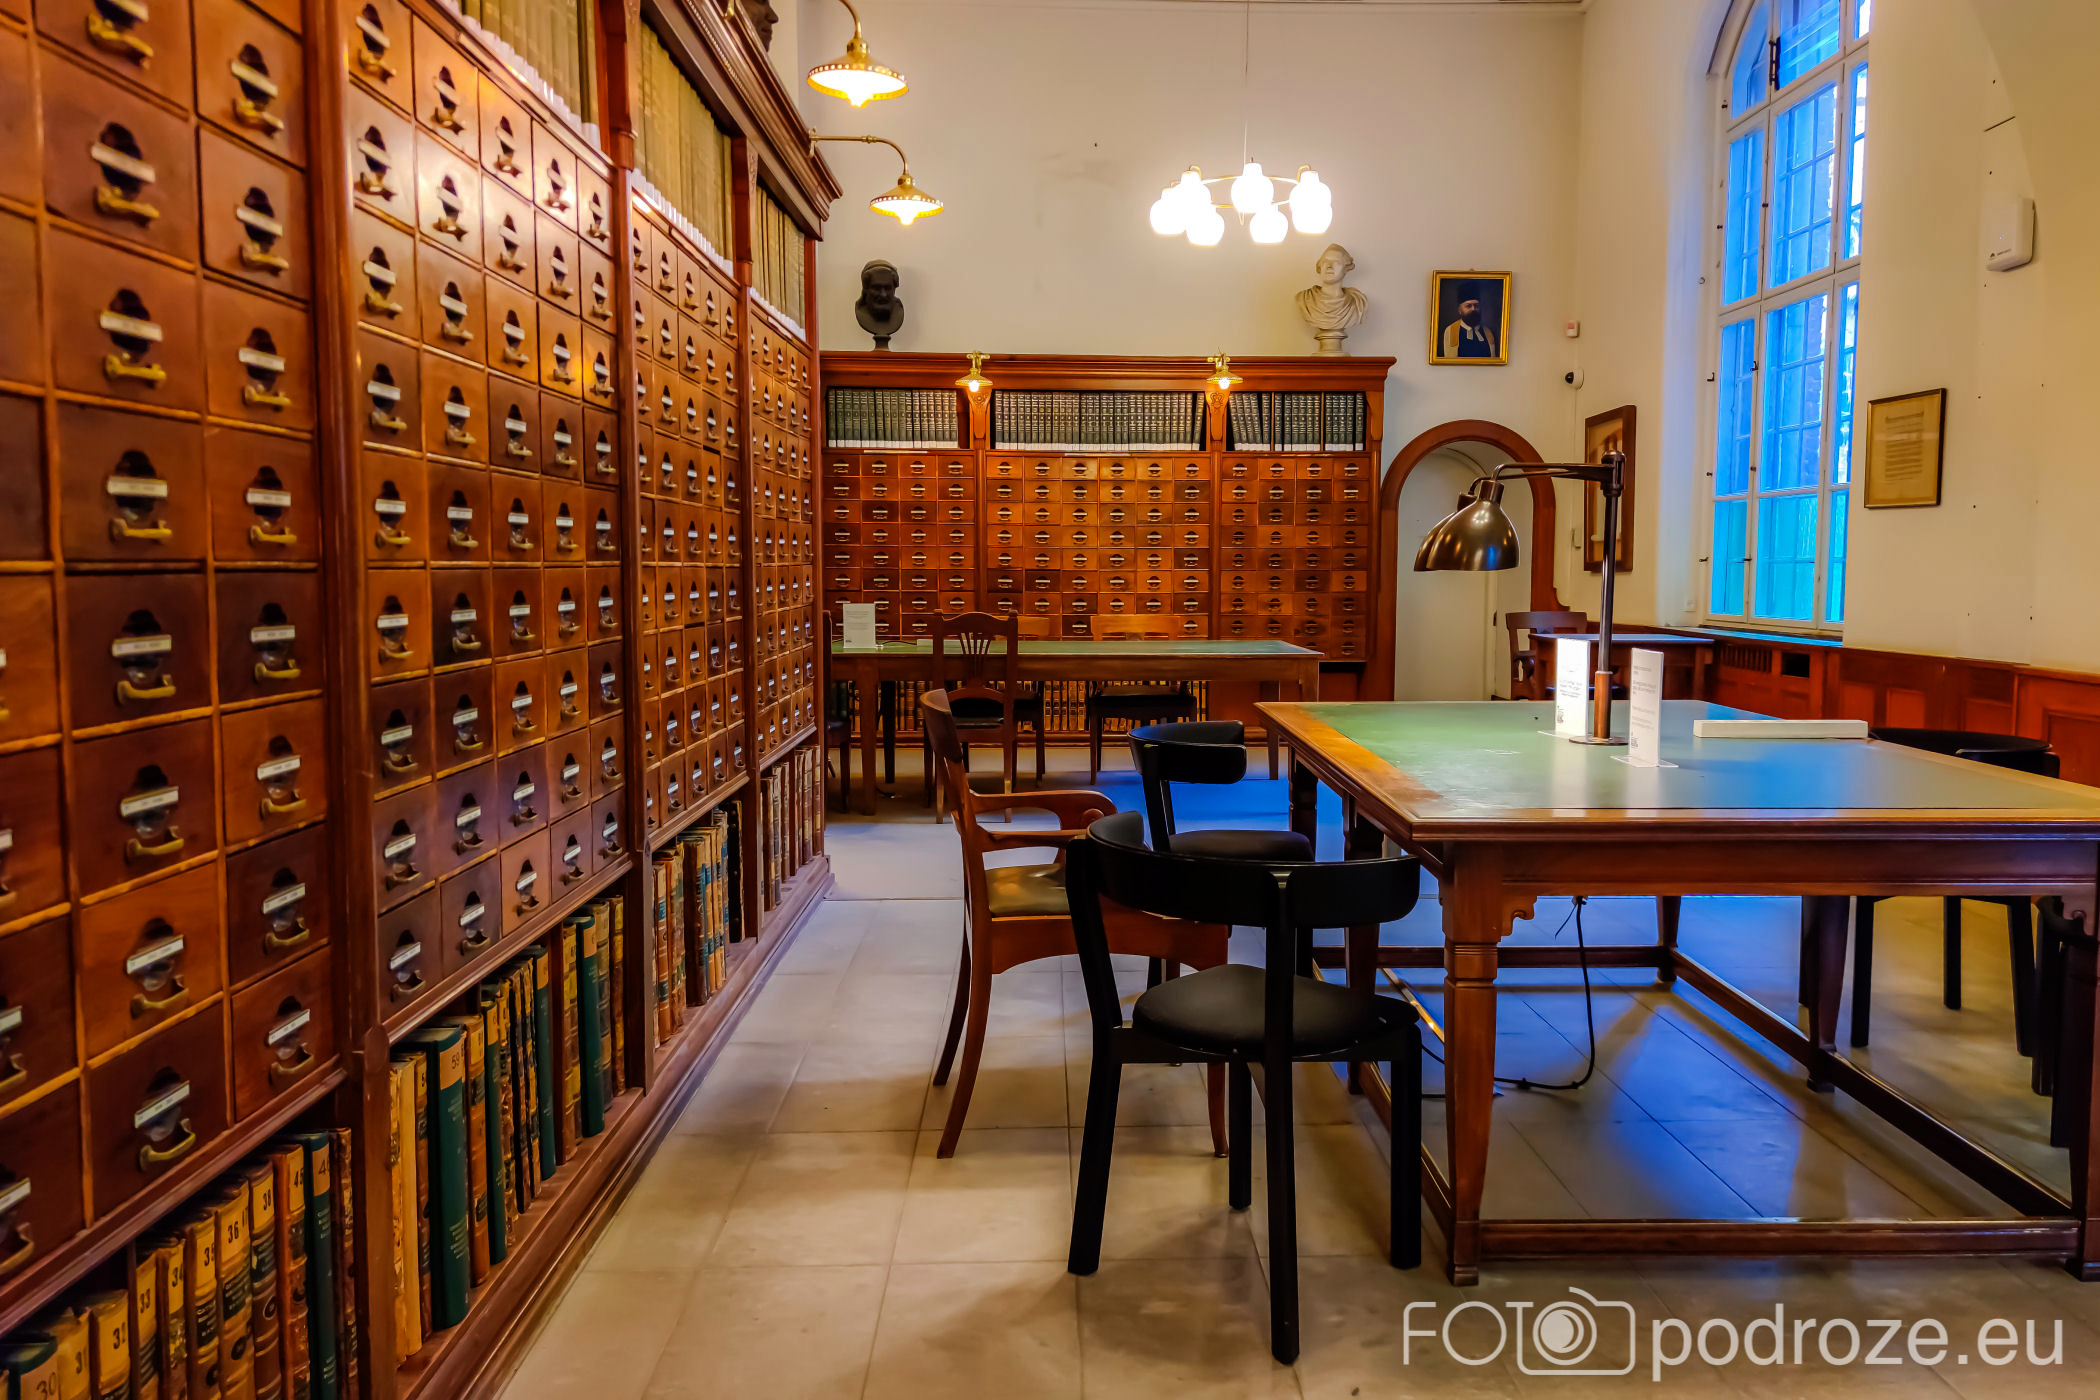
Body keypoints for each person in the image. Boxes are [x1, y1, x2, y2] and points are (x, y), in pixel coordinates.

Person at [1441, 290, 1499, 360]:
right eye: (1468, 306)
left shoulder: (1489, 333)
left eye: (1476, 305)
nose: (1473, 309)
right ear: (1459, 310)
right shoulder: (1450, 331)